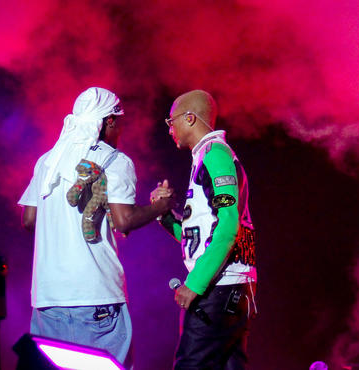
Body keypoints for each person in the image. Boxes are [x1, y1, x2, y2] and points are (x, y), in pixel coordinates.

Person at [19, 87, 175, 367]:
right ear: (109, 121)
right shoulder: (114, 160)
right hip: (95, 296)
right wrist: (159, 208)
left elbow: (29, 220)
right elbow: (124, 220)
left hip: (47, 300)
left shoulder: (47, 161)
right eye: (120, 123)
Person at [158, 90, 257, 369]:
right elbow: (199, 236)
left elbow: (227, 226)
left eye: (171, 121)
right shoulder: (205, 156)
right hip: (231, 287)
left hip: (221, 288)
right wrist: (165, 217)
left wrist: (195, 283)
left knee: (191, 365)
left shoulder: (215, 155)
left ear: (190, 118)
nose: (170, 129)